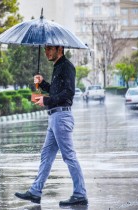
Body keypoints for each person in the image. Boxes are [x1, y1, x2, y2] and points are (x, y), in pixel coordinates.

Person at [15, 45, 88, 206]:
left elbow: (68, 93)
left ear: (59, 49)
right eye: (46, 49)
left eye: (50, 49)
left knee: (69, 156)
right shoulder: (57, 67)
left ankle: (80, 193)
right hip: (55, 117)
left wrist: (47, 100)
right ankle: (35, 192)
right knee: (46, 155)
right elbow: (56, 92)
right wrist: (42, 84)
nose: (46, 52)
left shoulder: (67, 67)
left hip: (61, 117)